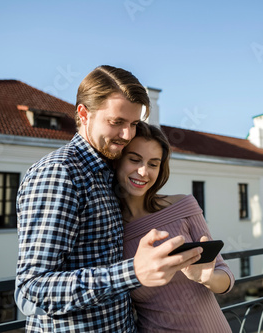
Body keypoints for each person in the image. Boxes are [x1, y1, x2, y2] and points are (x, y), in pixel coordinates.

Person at [15, 65, 203, 332]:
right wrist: (133, 273)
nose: (128, 135)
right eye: (117, 122)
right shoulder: (60, 174)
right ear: (83, 114)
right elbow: (34, 286)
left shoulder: (109, 170)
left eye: (134, 124)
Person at [115, 122, 235, 332]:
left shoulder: (183, 205)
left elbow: (225, 275)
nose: (143, 172)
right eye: (134, 160)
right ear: (117, 161)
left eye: (153, 164)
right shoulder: (109, 228)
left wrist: (208, 278)